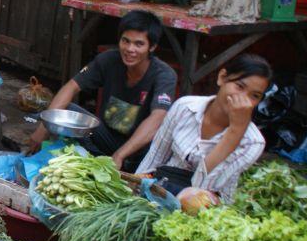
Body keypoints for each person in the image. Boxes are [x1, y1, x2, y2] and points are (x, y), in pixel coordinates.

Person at [27, 10, 177, 171]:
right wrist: (44, 127)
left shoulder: (164, 75)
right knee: (63, 112)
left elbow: (158, 118)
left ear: (152, 47)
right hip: (106, 138)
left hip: (138, 151)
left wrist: (120, 155)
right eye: (125, 41)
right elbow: (71, 87)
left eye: (139, 44)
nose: (130, 49)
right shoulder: (109, 59)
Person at [136, 54, 272, 202]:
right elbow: (155, 156)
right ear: (222, 77)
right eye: (239, 86)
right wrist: (133, 188)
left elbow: (202, 188)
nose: (243, 100)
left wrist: (235, 131)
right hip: (164, 185)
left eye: (255, 96)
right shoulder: (185, 107)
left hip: (207, 203)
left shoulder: (252, 142)